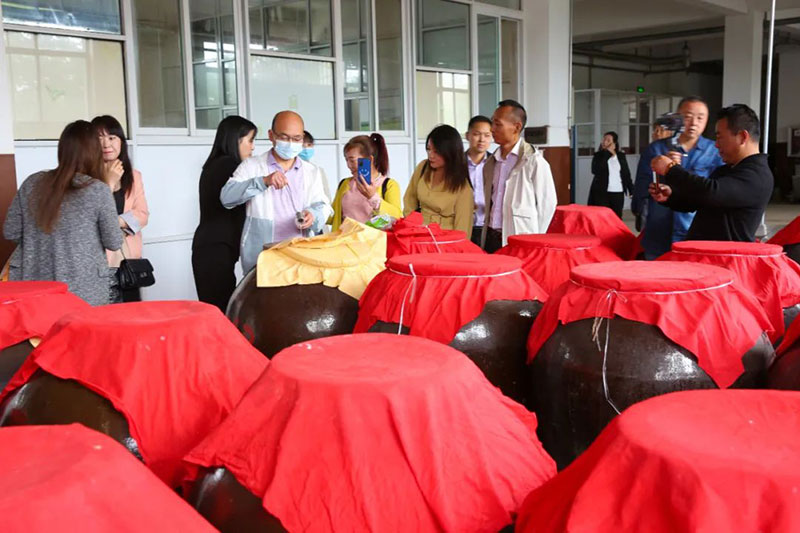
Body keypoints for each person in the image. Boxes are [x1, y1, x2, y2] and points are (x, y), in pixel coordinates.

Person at [3, 120, 122, 306]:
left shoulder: (32, 182)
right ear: (94, 152)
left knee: (41, 325)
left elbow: (11, 231)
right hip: (84, 291)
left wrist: (42, 241)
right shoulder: (98, 190)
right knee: (82, 326)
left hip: (35, 286)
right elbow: (113, 241)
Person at [220, 110, 332, 274]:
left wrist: (313, 215)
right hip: (263, 257)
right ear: (271, 135)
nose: (291, 143)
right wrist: (263, 181)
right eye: (284, 137)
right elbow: (227, 197)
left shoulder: (311, 171)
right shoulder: (252, 166)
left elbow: (324, 205)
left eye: (297, 139)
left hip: (301, 256)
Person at [649, 104, 773, 243]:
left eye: (720, 137)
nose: (716, 144)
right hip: (703, 251)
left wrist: (671, 169)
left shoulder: (757, 175)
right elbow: (700, 199)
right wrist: (671, 196)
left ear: (742, 137)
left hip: (725, 254)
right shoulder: (728, 169)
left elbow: (711, 192)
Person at [632, 96, 724, 259]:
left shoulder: (714, 151)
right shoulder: (656, 149)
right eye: (688, 117)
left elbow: (717, 190)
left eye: (700, 118)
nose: (694, 123)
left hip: (695, 228)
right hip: (659, 229)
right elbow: (642, 186)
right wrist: (639, 212)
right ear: (678, 118)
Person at [192, 116, 257, 312]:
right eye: (250, 140)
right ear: (236, 139)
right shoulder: (229, 166)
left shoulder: (215, 164)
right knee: (221, 311)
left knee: (216, 309)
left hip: (210, 246)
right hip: (216, 248)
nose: (252, 147)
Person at [481, 100, 557, 253]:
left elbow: (547, 206)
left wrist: (535, 239)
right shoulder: (491, 162)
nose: (492, 129)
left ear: (516, 127)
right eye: (492, 123)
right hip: (491, 235)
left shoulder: (534, 161)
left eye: (498, 124)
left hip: (520, 237)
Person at [92, 115, 150, 302]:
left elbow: (142, 215)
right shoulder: (87, 177)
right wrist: (108, 184)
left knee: (131, 310)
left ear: (121, 142)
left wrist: (113, 221)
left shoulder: (134, 176)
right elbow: (90, 216)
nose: (106, 144)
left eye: (112, 137)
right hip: (98, 261)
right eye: (99, 138)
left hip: (128, 258)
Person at [404, 125, 474, 234]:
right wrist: (411, 227)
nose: (431, 155)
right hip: (418, 233)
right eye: (428, 149)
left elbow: (463, 230)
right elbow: (409, 200)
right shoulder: (423, 167)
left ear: (450, 152)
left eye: (436, 151)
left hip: (444, 239)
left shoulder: (462, 187)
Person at [329, 133, 402, 231]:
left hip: (373, 240)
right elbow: (332, 215)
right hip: (345, 239)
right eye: (346, 160)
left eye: (352, 160)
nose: (349, 165)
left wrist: (373, 197)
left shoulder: (389, 185)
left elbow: (397, 217)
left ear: (369, 159)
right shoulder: (345, 183)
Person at [588, 131, 633, 219]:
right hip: (602, 192)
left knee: (616, 217)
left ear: (614, 144)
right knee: (603, 218)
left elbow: (626, 173)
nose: (605, 142)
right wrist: (607, 154)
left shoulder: (621, 156)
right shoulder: (598, 155)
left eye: (608, 140)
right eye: (604, 139)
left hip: (618, 191)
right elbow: (595, 170)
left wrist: (631, 189)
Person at [465, 115, 493, 245]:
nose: (482, 140)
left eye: (487, 135)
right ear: (468, 136)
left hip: (488, 227)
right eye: (477, 134)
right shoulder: (456, 163)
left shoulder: (496, 163)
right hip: (463, 225)